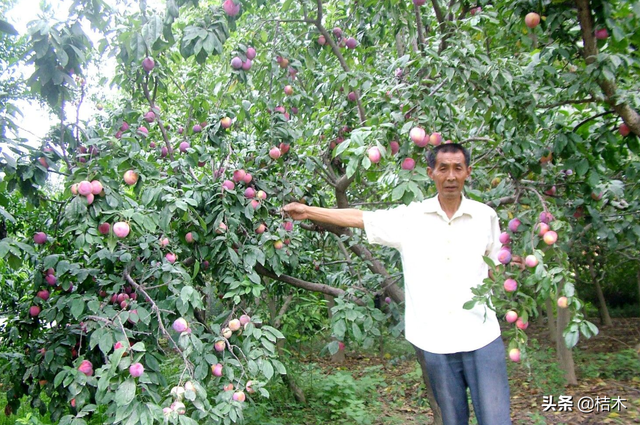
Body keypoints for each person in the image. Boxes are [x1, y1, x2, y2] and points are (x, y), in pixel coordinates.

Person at [282, 143, 512, 425]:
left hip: (481, 337)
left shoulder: (485, 217)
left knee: (496, 420)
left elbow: (495, 272)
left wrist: (515, 274)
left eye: (457, 168)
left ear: (468, 172)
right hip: (436, 341)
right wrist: (308, 211)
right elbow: (360, 218)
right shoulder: (411, 218)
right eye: (443, 169)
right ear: (431, 173)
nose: (450, 176)